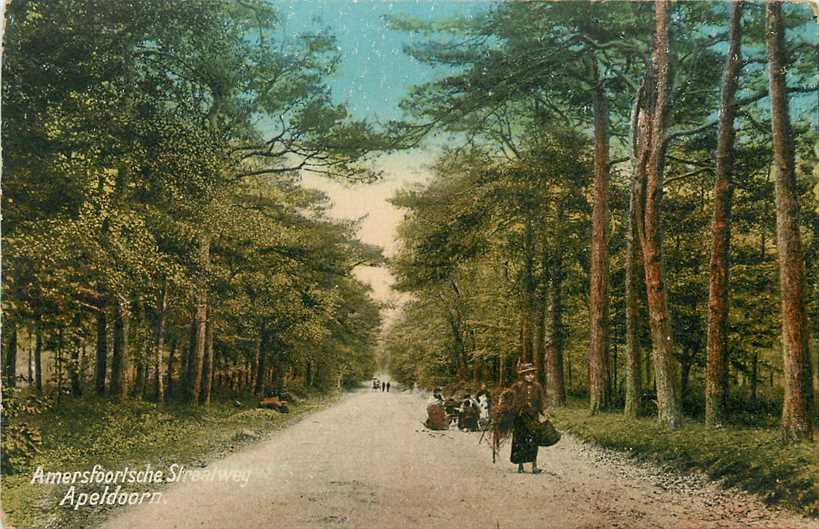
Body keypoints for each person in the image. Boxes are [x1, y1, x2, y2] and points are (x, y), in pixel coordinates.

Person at [510, 363, 547, 474]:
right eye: (528, 374)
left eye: (532, 374)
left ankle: (534, 466)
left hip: (533, 417)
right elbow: (511, 400)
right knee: (520, 440)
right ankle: (520, 465)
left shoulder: (538, 386)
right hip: (520, 418)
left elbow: (541, 401)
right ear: (523, 375)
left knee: (534, 440)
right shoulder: (517, 386)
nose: (531, 376)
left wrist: (542, 413)